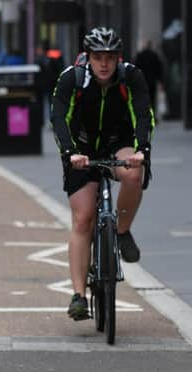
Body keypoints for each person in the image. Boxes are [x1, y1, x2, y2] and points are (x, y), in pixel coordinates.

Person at [50, 27, 153, 321]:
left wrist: (141, 150)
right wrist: (70, 153)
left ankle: (121, 232)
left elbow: (143, 113)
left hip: (117, 143)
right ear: (88, 57)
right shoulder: (72, 78)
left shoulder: (131, 77)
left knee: (134, 174)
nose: (104, 64)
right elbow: (58, 117)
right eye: (98, 57)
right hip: (81, 149)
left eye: (110, 57)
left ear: (118, 58)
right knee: (83, 218)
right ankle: (79, 296)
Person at [134, 40, 164, 119]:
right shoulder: (154, 55)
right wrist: (160, 81)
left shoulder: (140, 56)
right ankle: (152, 116)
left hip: (142, 81)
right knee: (152, 100)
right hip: (152, 82)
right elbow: (159, 69)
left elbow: (135, 68)